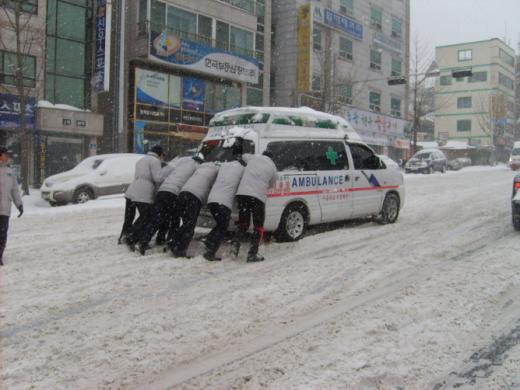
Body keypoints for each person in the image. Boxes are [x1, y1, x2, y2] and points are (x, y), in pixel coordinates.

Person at [136, 151, 204, 255]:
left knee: (157, 218)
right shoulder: (196, 168)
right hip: (174, 193)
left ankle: (143, 241)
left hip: (163, 191)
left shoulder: (182, 164)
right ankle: (170, 242)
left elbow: (167, 172)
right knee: (174, 219)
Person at [203, 137, 247, 261]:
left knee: (220, 224)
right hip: (224, 201)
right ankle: (210, 249)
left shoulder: (225, 165)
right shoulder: (242, 169)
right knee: (223, 226)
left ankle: (209, 241)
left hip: (212, 200)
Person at [231, 150, 277, 262]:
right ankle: (252, 254)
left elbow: (243, 155)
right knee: (258, 226)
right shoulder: (273, 167)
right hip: (258, 198)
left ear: (263, 154)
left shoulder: (253, 157)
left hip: (242, 194)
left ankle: (234, 247)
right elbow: (272, 184)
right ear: (272, 158)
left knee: (243, 223)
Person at [169, 160, 218, 258]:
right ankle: (180, 250)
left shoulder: (199, 169)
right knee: (190, 225)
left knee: (186, 223)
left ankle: (173, 241)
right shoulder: (215, 170)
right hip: (194, 197)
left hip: (183, 193)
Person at [124, 145, 169, 250]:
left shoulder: (141, 160)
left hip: (135, 189)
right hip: (145, 191)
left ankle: (131, 236)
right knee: (147, 217)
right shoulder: (155, 161)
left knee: (143, 216)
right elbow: (157, 178)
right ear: (159, 153)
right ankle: (132, 237)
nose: (163, 157)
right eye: (163, 155)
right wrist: (167, 178)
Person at [0, 147, 23, 266]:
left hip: (5, 209)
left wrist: (19, 204)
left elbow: (14, 190)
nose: (8, 157)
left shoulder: (10, 172)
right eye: (6, 155)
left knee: (2, 233)